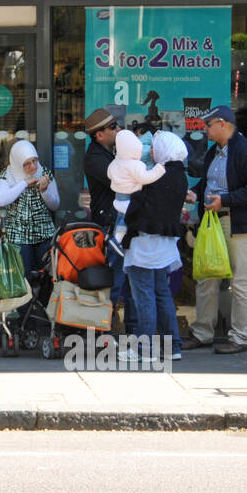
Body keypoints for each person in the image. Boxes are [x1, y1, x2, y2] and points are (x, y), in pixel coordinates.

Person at [183, 105, 247, 354]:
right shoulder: (215, 152)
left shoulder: (246, 152)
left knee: (242, 282)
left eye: (209, 125)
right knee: (206, 277)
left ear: (223, 124)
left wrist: (226, 200)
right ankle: (203, 333)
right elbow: (209, 183)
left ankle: (242, 337)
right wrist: (196, 193)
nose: (205, 129)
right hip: (214, 221)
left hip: (239, 223)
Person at [121, 131, 189, 362]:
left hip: (144, 243)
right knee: (162, 294)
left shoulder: (156, 175)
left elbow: (137, 208)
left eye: (154, 146)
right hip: (165, 244)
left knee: (144, 297)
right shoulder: (180, 175)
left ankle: (143, 348)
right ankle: (173, 346)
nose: (151, 150)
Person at [83, 107, 131, 329]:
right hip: (110, 228)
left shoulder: (108, 153)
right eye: (113, 127)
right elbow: (119, 179)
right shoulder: (95, 158)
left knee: (128, 283)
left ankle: (129, 329)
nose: (118, 129)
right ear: (99, 134)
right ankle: (103, 332)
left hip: (120, 225)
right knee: (112, 284)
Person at [0, 138, 60, 285]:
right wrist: (24, 183)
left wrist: (44, 191)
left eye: (34, 161)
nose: (33, 167)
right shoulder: (8, 175)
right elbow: (1, 200)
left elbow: (55, 205)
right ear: (18, 164)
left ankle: (43, 308)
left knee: (47, 280)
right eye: (26, 164)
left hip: (44, 235)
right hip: (19, 237)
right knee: (24, 282)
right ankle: (25, 309)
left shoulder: (44, 173)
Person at [107, 128, 166, 241]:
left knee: (120, 216)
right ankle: (119, 239)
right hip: (130, 197)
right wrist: (159, 169)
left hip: (118, 196)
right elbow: (146, 178)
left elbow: (109, 174)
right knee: (127, 218)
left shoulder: (115, 162)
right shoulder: (135, 165)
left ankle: (116, 236)